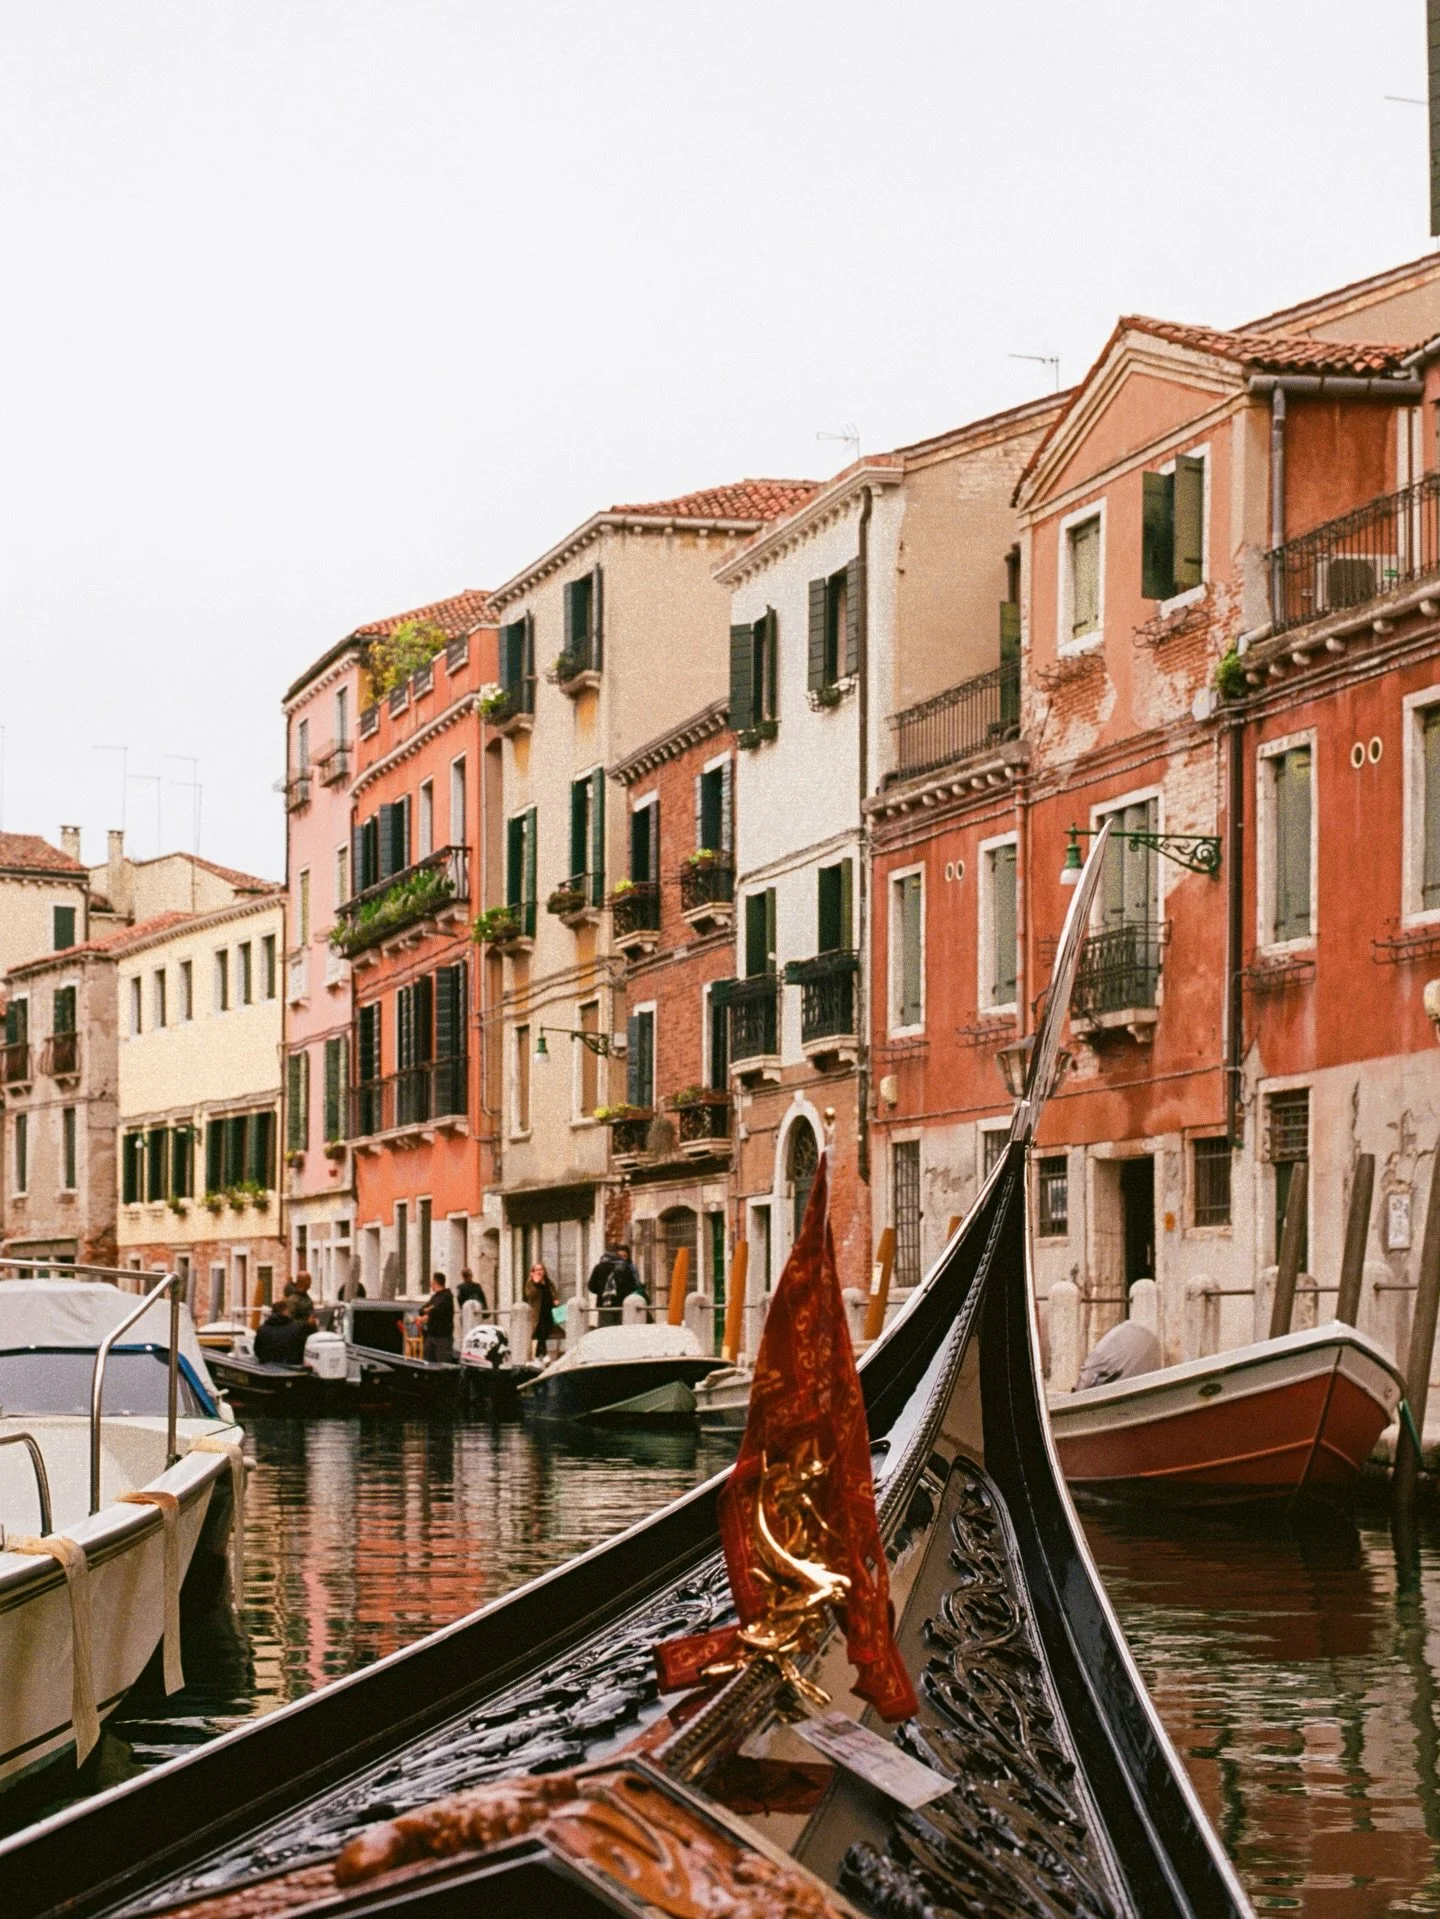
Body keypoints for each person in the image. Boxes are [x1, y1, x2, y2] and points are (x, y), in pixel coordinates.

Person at [255, 1297, 308, 1367]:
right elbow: (302, 1351)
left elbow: (257, 1351)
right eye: (289, 1311)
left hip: (266, 1370)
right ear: (285, 1311)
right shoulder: (296, 1328)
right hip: (290, 1371)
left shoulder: (262, 1329)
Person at [420, 1272, 456, 1363]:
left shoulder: (447, 1297)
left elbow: (437, 1309)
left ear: (435, 1283)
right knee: (427, 1361)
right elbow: (421, 1310)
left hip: (443, 1337)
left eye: (432, 1282)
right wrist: (427, 1309)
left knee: (442, 1364)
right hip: (431, 1335)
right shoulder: (434, 1297)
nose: (430, 1284)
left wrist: (430, 1310)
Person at [527, 1262, 558, 1357]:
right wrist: (536, 1284)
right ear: (533, 1272)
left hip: (549, 1311)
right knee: (540, 1334)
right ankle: (541, 1355)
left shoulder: (548, 1282)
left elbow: (553, 1292)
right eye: (537, 1270)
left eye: (541, 1269)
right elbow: (530, 1295)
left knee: (545, 1333)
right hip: (538, 1313)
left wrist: (555, 1299)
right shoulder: (531, 1283)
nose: (540, 1272)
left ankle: (541, 1355)